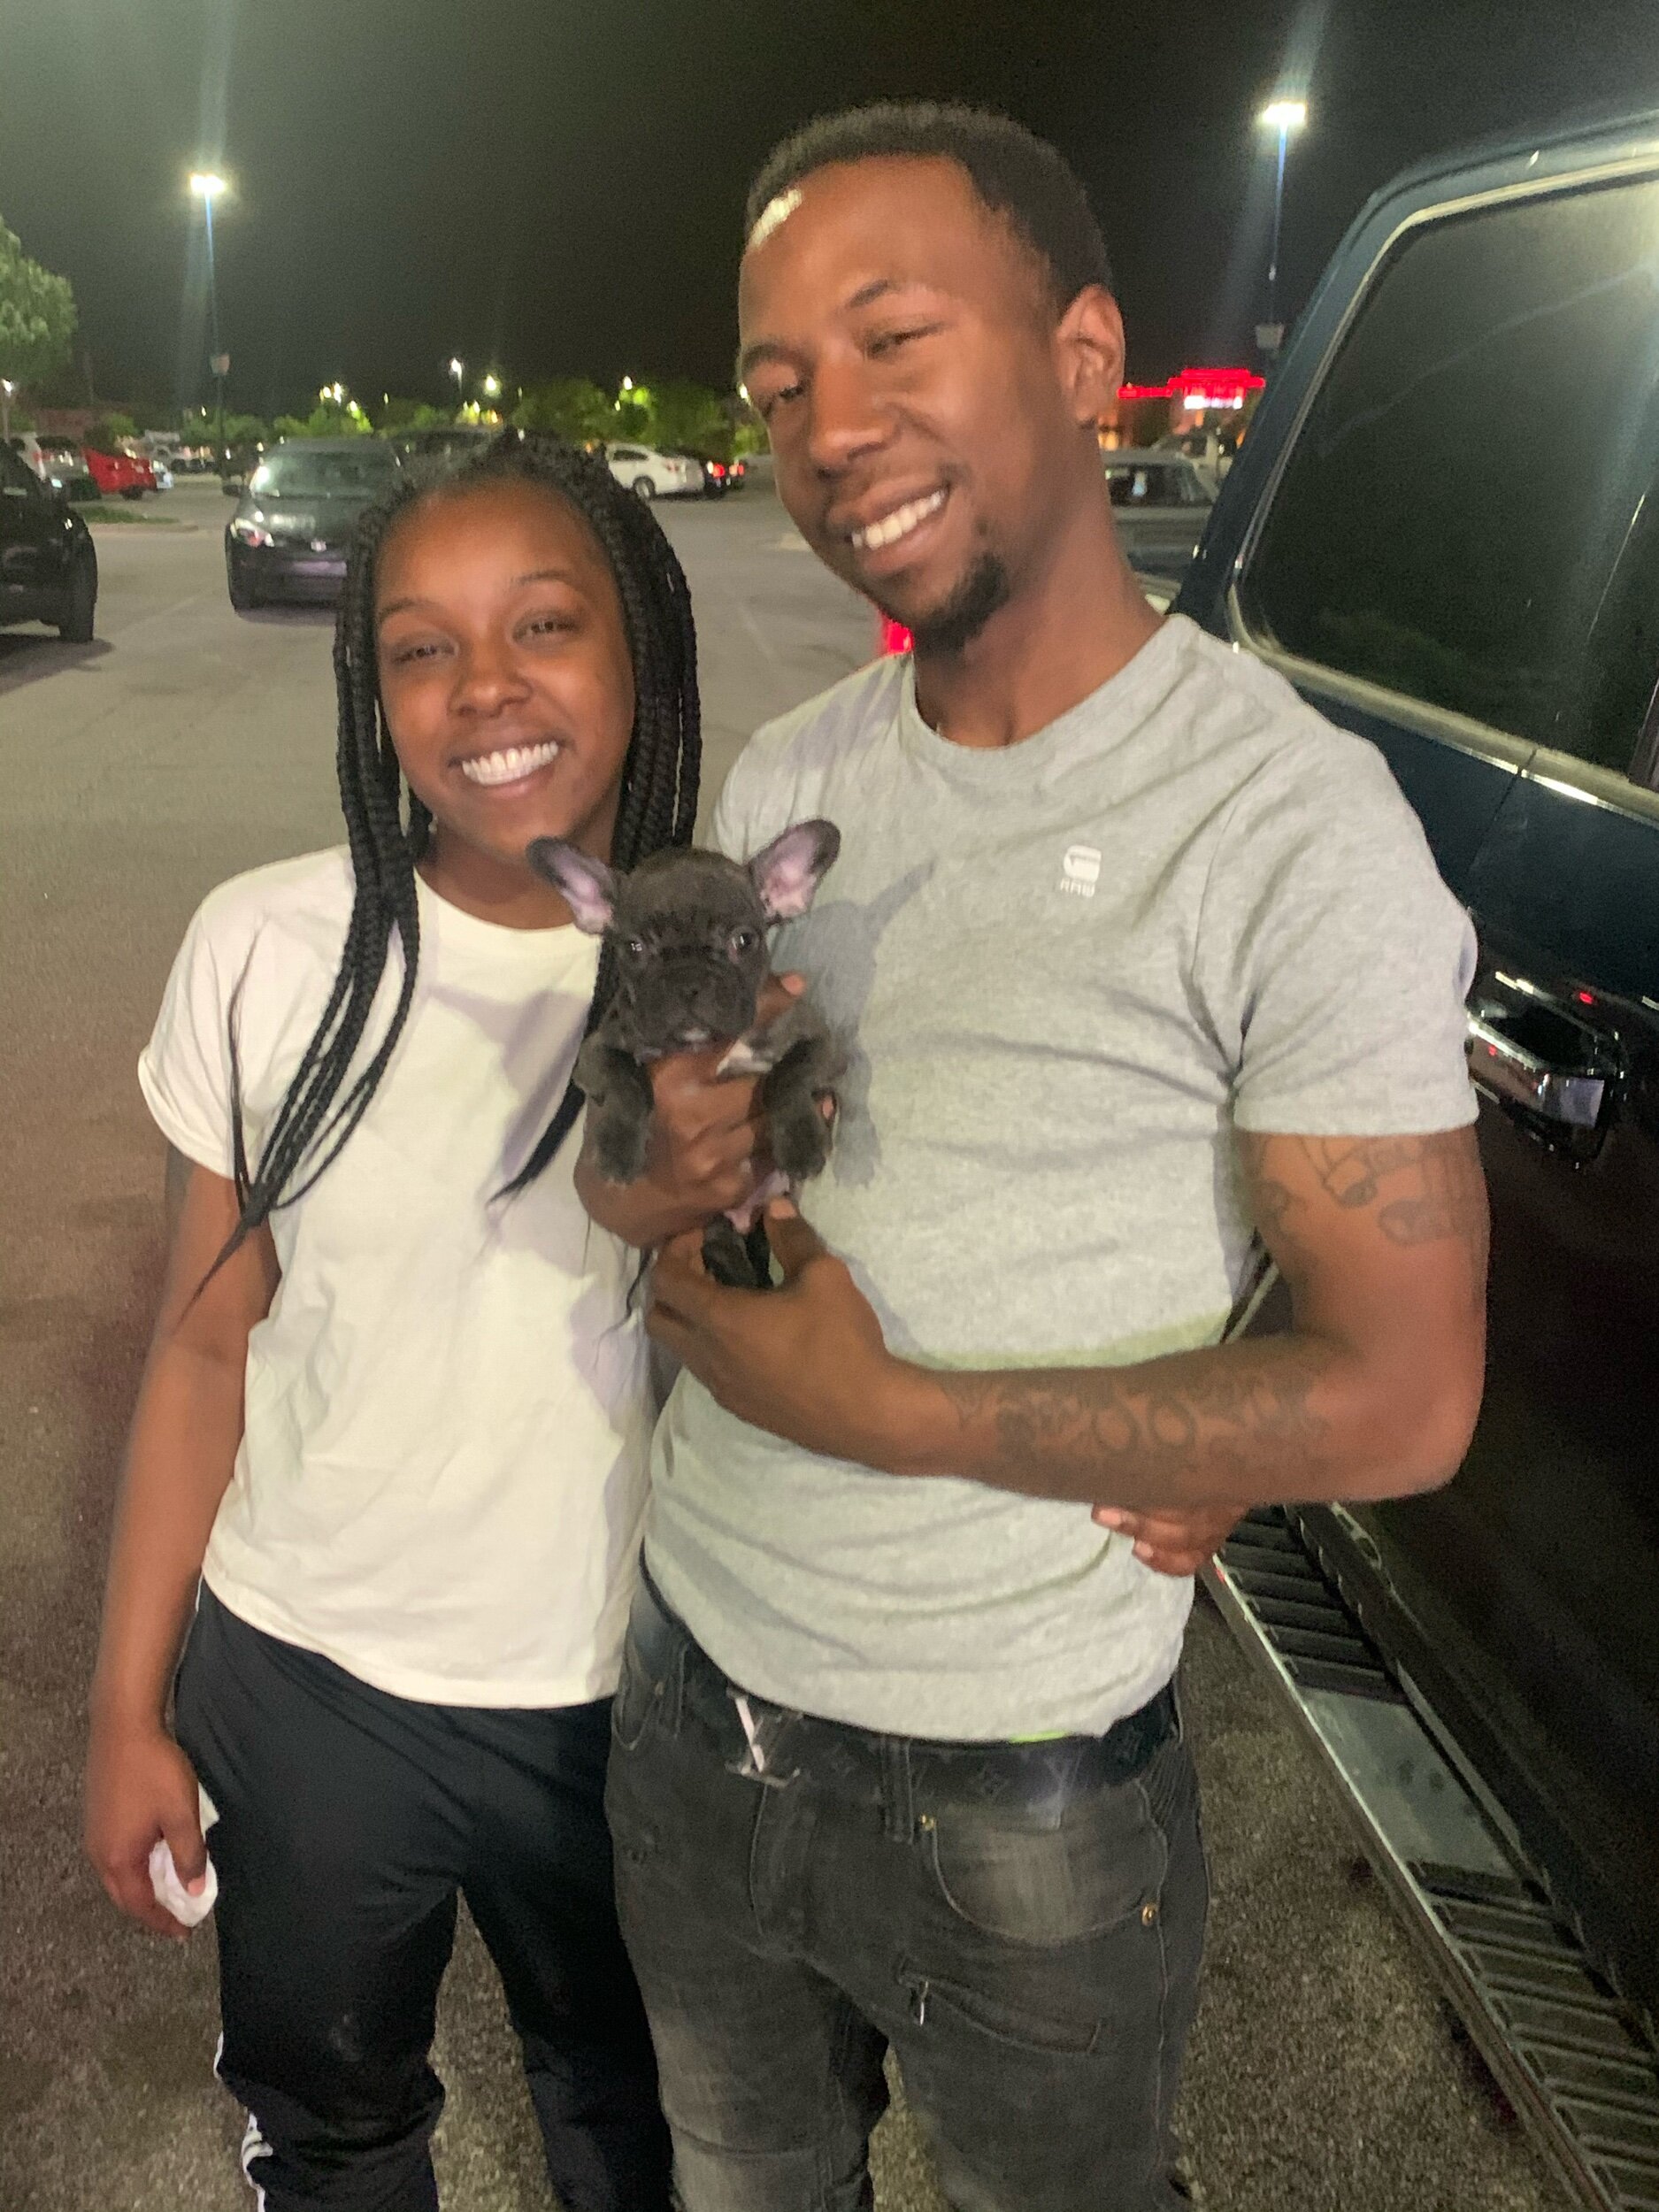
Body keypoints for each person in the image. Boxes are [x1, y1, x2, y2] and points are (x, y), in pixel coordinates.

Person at [580, 104, 1488, 2212]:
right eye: (779, 385)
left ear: (1084, 359)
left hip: (1023, 1804)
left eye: (891, 340)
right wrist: (657, 1178)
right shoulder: (792, 778)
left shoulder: (1285, 823)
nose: (828, 430)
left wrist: (887, 1410)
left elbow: (1401, 1391)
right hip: (689, 1694)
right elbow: (641, 1183)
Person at [82, 434, 699, 2212]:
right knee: (334, 2130)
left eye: (543, 625)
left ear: (639, 647)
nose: (482, 685)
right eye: (422, 647)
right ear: (375, 694)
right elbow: (206, 1343)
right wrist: (125, 1706)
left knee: (645, 2131)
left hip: (626, 1699)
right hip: (309, 1688)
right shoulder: (266, 948)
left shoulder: (721, 970)